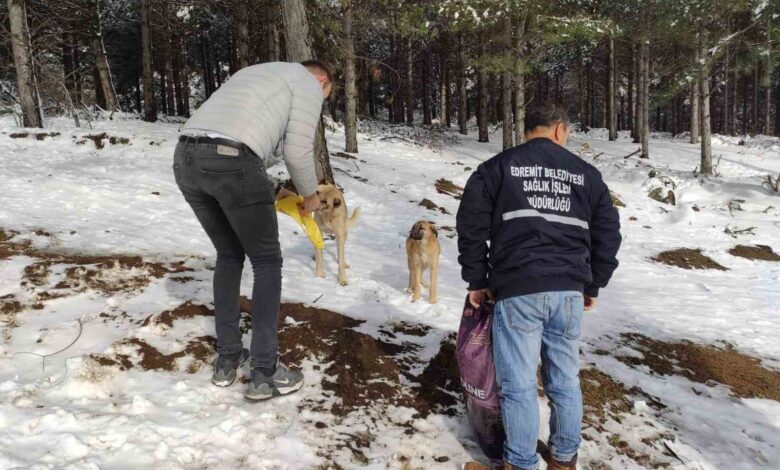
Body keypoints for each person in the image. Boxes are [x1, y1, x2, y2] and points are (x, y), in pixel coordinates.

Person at [456, 103, 621, 470]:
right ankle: (564, 459)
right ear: (560, 130)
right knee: (564, 380)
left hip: (518, 289)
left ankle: (520, 462)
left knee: (518, 386)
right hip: (567, 293)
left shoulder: (496, 168)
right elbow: (608, 233)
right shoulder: (587, 174)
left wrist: (477, 279)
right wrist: (592, 284)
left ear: (527, 129)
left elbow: (471, 226)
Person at [172, 60, 333, 401]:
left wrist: (272, 188)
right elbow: (296, 149)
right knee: (266, 261)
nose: (321, 101)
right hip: (233, 159)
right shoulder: (306, 82)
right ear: (320, 80)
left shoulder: (257, 73)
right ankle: (265, 370)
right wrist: (309, 197)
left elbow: (257, 145)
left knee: (229, 254)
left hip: (186, 158)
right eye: (326, 95)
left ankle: (228, 357)